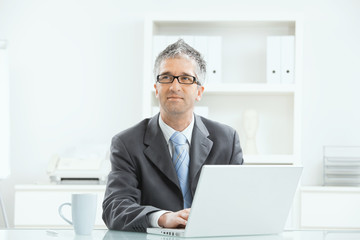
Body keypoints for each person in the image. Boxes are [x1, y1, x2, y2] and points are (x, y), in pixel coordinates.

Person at [102, 39, 243, 232]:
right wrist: (162, 218)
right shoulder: (126, 143)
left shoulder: (227, 139)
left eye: (185, 78)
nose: (175, 87)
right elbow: (115, 208)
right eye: (166, 77)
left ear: (199, 91)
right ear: (156, 88)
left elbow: (240, 203)